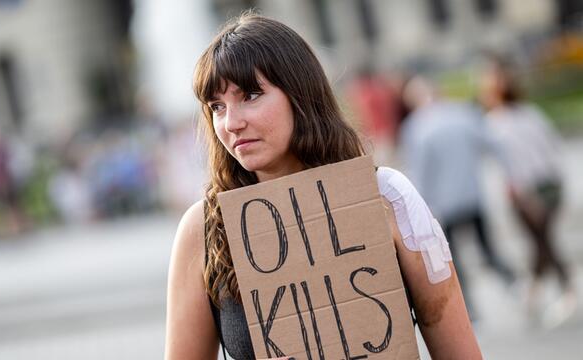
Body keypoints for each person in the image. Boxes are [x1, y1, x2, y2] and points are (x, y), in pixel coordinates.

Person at [166, 13, 482, 359]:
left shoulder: (388, 197)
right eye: (216, 106)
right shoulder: (204, 229)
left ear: (299, 94)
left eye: (251, 95)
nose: (231, 122)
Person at [400, 76, 515, 316]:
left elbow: (419, 173)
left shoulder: (416, 128)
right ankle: (512, 281)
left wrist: (421, 208)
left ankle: (468, 307)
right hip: (472, 195)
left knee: (453, 259)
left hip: (443, 205)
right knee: (487, 249)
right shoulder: (462, 114)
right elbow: (492, 144)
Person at [479, 56, 576, 324]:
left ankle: (564, 291)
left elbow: (513, 164)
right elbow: (553, 147)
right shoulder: (530, 113)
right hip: (550, 184)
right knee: (541, 240)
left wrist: (524, 196)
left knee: (542, 241)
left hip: (527, 191)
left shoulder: (496, 123)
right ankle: (536, 292)